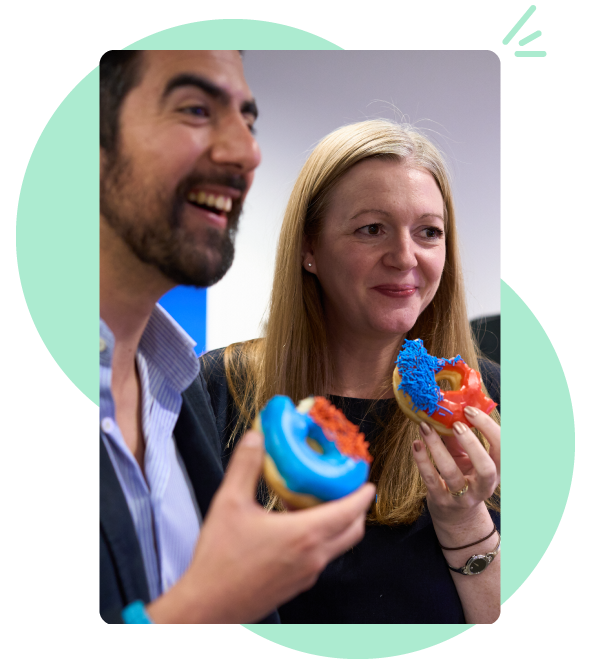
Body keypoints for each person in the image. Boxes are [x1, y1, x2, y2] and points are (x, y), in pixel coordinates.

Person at [99, 49, 376, 624]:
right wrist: (205, 608)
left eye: (248, 121)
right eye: (196, 109)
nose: (247, 152)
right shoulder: (220, 385)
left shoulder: (177, 388)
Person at [200, 119, 503, 624]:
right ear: (309, 248)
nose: (405, 257)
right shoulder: (220, 389)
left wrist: (465, 520)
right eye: (371, 229)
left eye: (429, 232)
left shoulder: (492, 401)